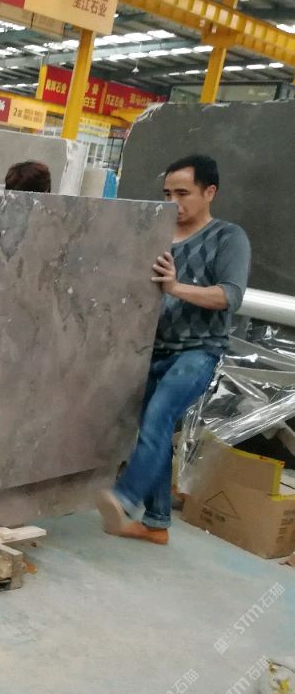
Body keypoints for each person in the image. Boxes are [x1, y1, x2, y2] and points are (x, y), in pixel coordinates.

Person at [96, 154, 251, 545]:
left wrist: (175, 287)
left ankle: (125, 499)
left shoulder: (228, 237)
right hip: (152, 349)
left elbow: (230, 296)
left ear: (209, 192)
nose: (173, 202)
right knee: (155, 431)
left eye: (183, 193)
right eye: (167, 194)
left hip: (197, 351)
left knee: (158, 418)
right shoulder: (157, 234)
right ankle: (157, 522)